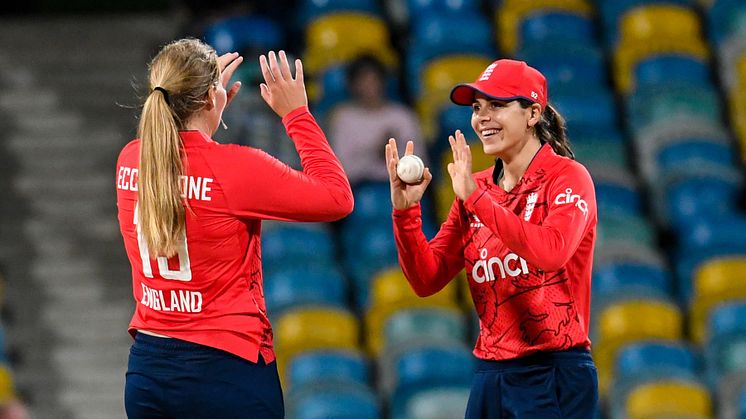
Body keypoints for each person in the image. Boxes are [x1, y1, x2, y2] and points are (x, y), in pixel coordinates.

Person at [115, 39, 353, 418]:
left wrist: (206, 102)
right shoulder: (237, 168)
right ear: (213, 97)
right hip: (225, 370)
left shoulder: (131, 160)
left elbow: (190, 165)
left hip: (149, 372)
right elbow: (337, 198)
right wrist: (297, 114)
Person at [385, 59, 599, 418]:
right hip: (492, 374)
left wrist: (476, 199)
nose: (482, 117)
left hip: (554, 372)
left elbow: (551, 252)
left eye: (497, 105)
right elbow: (426, 278)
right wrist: (406, 214)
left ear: (533, 113)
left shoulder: (568, 178)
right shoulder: (476, 188)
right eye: (477, 108)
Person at [328, 54, 425, 187]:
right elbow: (342, 167)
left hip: (401, 187)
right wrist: (376, 151)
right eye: (364, 81)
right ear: (353, 85)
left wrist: (392, 156)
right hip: (359, 189)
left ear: (383, 81)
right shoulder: (344, 119)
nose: (370, 86)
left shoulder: (402, 116)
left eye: (374, 80)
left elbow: (420, 162)